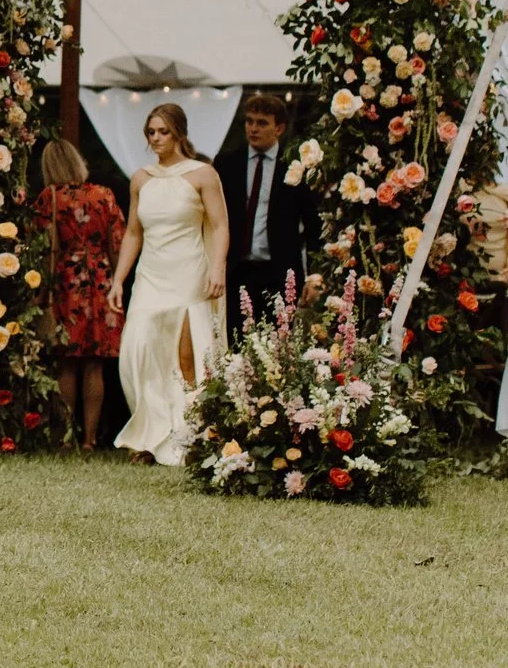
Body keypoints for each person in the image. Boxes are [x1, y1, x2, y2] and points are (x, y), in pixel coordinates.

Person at [108, 102, 229, 467]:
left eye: (163, 131)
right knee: (137, 350)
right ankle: (147, 435)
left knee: (186, 357)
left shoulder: (202, 174)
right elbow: (133, 233)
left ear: (179, 133)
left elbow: (221, 225)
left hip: (189, 271)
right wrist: (118, 280)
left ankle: (190, 436)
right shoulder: (140, 178)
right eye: (151, 132)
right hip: (150, 275)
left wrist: (217, 268)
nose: (156, 138)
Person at [34, 139, 124, 454]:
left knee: (67, 364)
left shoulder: (51, 198)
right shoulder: (105, 196)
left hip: (66, 283)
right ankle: (90, 439)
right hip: (101, 282)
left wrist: (40, 293)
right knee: (95, 364)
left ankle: (66, 436)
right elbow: (118, 243)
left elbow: (42, 246)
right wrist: (117, 283)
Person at [216, 93, 308, 331]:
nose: (253, 129)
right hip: (235, 270)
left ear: (278, 128)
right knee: (234, 343)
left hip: (278, 271)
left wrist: (315, 275)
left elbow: (311, 223)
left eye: (261, 123)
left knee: (278, 347)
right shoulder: (227, 164)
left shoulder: (295, 166)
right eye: (249, 121)